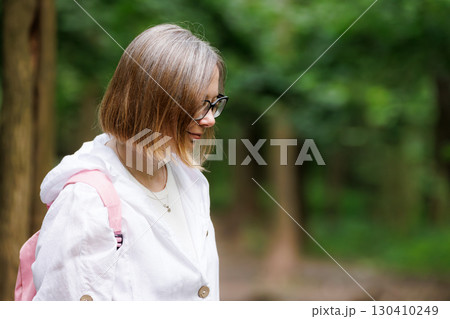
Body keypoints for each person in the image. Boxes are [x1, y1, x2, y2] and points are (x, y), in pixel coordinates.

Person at [32, 24, 228, 301]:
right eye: (199, 103)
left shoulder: (191, 181)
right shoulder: (85, 206)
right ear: (153, 101)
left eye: (214, 102)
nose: (210, 119)